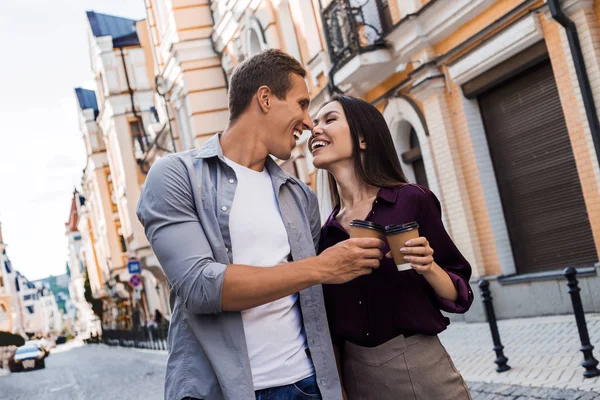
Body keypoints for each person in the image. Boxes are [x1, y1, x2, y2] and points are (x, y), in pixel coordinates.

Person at [136, 50, 384, 400]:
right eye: (301, 104)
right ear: (265, 98)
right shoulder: (176, 176)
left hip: (308, 385)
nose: (309, 122)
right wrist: (321, 268)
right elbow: (200, 287)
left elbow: (316, 305)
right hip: (224, 391)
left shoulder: (299, 194)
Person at [311, 95, 474, 400]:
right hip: (355, 374)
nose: (315, 129)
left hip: (417, 365)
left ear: (362, 138)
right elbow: (330, 321)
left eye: (329, 120)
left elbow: (460, 292)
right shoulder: (327, 234)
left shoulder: (411, 200)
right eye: (315, 122)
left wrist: (429, 267)